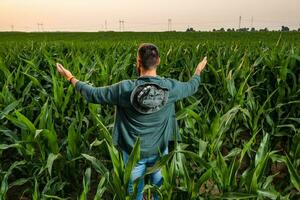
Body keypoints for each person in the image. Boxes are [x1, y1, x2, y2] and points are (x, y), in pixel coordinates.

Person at [56, 43, 207, 200]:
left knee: (134, 194)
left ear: (138, 62)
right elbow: (192, 86)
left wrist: (69, 76)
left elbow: (93, 94)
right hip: (160, 154)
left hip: (133, 155)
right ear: (159, 61)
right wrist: (198, 71)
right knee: (160, 192)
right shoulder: (170, 88)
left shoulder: (124, 89)